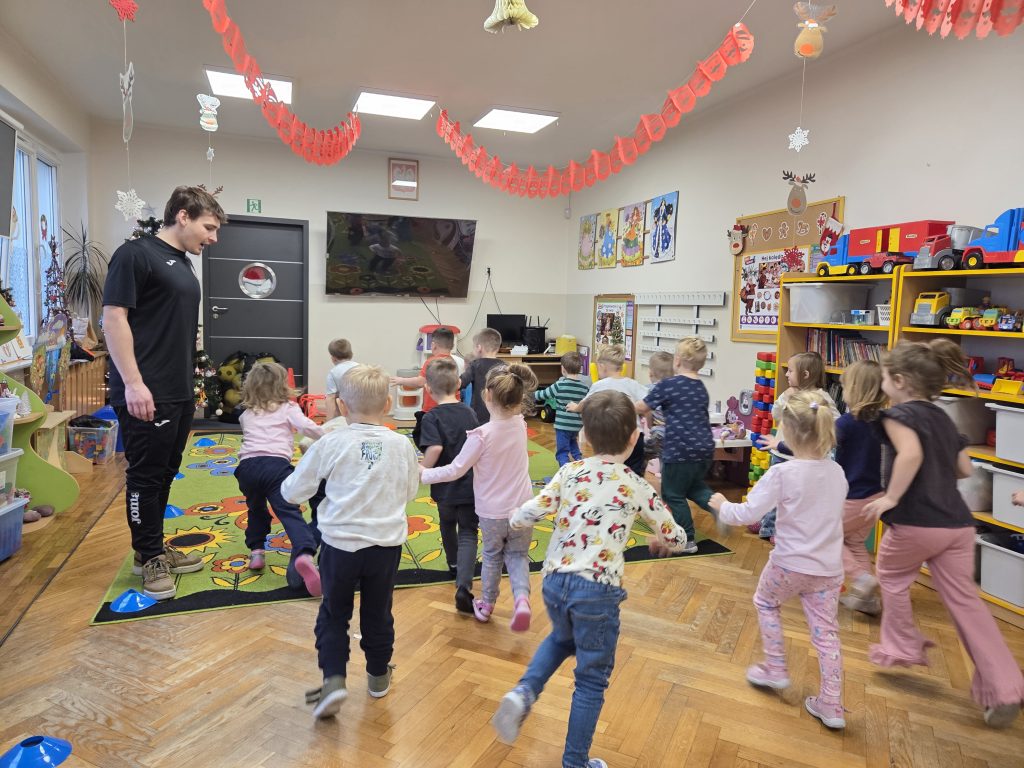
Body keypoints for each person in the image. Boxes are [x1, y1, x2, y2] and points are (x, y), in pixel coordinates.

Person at [492, 390, 689, 768]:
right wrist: (668, 539)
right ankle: (575, 762)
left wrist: (515, 518)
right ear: (634, 438)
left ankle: (524, 692)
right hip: (597, 591)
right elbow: (675, 535)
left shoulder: (569, 472)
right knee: (591, 681)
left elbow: (534, 509)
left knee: (562, 638)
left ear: (583, 435)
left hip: (554, 581)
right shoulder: (635, 484)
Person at [864, 340, 1024, 728]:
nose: (882, 383)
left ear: (899, 380)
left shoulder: (898, 415)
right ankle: (1006, 687)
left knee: (891, 576)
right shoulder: (942, 417)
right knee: (967, 604)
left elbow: (911, 454)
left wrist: (891, 497)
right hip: (957, 525)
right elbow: (965, 469)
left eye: (884, 377)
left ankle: (901, 646)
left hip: (916, 522)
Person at [103, 185, 227, 600]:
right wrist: (134, 383)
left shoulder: (182, 262)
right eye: (209, 227)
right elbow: (114, 319)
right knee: (145, 475)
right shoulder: (135, 255)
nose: (213, 238)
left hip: (177, 388)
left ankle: (151, 549)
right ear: (183, 216)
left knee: (166, 471)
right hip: (146, 389)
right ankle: (148, 558)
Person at [281, 365, 420, 719]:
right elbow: (410, 492)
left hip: (340, 546)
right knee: (378, 611)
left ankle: (334, 680)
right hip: (385, 546)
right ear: (388, 404)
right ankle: (378, 676)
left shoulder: (331, 442)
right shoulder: (402, 444)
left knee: (334, 612)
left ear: (342, 406)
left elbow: (293, 492)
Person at [710, 390, 849, 730]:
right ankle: (832, 704)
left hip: (788, 564)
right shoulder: (837, 472)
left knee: (766, 602)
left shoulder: (783, 474)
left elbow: (747, 513)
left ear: (787, 433)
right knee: (827, 635)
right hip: (829, 570)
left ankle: (775, 668)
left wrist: (721, 506)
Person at [421, 364, 538, 630]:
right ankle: (521, 599)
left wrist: (423, 474)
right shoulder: (520, 425)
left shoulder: (481, 436)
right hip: (523, 508)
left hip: (492, 512)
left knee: (493, 556)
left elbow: (455, 469)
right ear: (518, 399)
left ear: (487, 395)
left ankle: (486, 604)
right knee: (518, 556)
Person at [234, 362, 324, 595]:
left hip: (247, 469)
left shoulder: (246, 414)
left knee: (256, 509)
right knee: (288, 511)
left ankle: (256, 551)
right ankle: (304, 553)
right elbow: (306, 428)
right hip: (276, 468)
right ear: (283, 385)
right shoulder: (288, 408)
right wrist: (329, 434)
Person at [636, 338, 714, 554]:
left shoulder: (668, 385)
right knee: (694, 487)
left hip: (679, 450)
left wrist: (620, 406)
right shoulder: (700, 387)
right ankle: (719, 509)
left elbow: (642, 407)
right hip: (705, 449)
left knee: (672, 494)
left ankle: (687, 539)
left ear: (677, 361)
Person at [755, 351, 840, 540]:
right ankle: (767, 523)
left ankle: (773, 529)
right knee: (775, 493)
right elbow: (776, 415)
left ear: (805, 374)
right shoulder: (789, 394)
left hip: (803, 457)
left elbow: (835, 422)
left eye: (791, 371)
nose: (786, 374)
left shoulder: (821, 397)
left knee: (791, 497)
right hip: (780, 452)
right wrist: (785, 396)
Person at [418, 357, 480, 614]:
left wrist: (423, 469)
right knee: (468, 531)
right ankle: (463, 585)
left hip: (444, 486)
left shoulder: (431, 417)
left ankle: (453, 563)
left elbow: (434, 448)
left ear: (428, 389)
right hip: (470, 485)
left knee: (446, 523)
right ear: (458, 385)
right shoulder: (470, 412)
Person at [835, 360, 886, 615]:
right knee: (854, 542)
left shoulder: (846, 422)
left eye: (844, 387)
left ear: (854, 389)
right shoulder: (883, 421)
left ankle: (861, 579)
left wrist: (781, 446)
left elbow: (817, 443)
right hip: (876, 497)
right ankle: (866, 599)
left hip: (852, 497)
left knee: (824, 536)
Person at [568, 345, 648, 476]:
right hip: (634, 437)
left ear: (602, 366)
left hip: (610, 438)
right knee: (635, 476)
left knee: (609, 473)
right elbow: (648, 402)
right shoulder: (633, 384)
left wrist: (575, 407)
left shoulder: (599, 385)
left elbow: (584, 404)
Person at [533, 350, 590, 466]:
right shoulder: (584, 387)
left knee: (562, 452)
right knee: (573, 443)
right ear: (579, 369)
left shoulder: (559, 385)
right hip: (576, 425)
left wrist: (530, 395)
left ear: (563, 369)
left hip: (563, 426)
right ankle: (580, 461)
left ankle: (564, 470)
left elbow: (543, 394)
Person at [459, 327, 505, 423]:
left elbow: (461, 383)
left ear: (479, 348)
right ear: (498, 347)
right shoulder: (505, 366)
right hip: (501, 415)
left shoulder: (475, 365)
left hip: (479, 417)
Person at [324, 338, 359, 420]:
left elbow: (330, 398)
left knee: (336, 399)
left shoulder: (333, 373)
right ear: (351, 354)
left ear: (333, 358)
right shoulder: (361, 368)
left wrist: (329, 422)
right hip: (362, 410)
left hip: (344, 412)